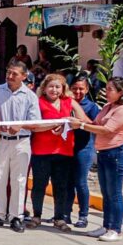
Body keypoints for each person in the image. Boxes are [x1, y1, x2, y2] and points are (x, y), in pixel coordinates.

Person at [69, 77, 123, 242]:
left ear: (121, 92)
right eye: (107, 88)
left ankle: (116, 229)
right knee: (106, 193)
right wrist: (77, 116)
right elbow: (93, 122)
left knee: (115, 194)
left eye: (111, 89)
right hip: (104, 154)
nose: (107, 91)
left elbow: (106, 129)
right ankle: (106, 225)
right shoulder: (107, 107)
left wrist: (81, 126)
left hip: (116, 155)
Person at [27, 74, 90, 232]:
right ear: (44, 88)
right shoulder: (38, 102)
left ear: (63, 89)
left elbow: (83, 121)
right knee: (39, 185)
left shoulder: (69, 102)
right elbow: (34, 126)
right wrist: (55, 123)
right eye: (51, 86)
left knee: (61, 186)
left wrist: (68, 124)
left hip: (64, 150)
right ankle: (37, 215)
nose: (54, 90)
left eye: (57, 87)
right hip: (41, 150)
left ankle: (59, 217)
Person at [0, 61, 42, 233]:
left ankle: (17, 216)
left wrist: (21, 125)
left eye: (14, 74)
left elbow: (36, 122)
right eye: (8, 72)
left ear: (24, 76)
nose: (10, 76)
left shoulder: (30, 96)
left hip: (21, 141)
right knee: (0, 177)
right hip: (1, 140)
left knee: (19, 180)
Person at [67, 75, 100, 228]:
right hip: (65, 147)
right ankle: (64, 213)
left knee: (80, 183)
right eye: (75, 88)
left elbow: (94, 124)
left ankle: (83, 215)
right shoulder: (64, 103)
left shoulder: (91, 106)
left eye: (81, 89)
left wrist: (79, 121)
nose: (78, 92)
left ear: (87, 89)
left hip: (83, 148)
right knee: (66, 182)